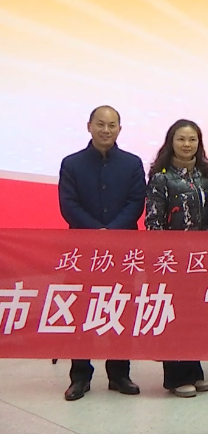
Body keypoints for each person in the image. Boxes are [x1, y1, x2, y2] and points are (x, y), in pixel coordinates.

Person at [58, 105, 146, 401]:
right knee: (81, 310)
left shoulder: (132, 163)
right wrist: (97, 232)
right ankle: (80, 376)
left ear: (119, 129)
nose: (106, 130)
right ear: (89, 126)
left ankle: (119, 373)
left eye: (112, 125)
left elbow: (136, 202)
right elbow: (68, 205)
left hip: (122, 251)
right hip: (82, 251)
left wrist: (113, 233)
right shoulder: (72, 163)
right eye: (100, 124)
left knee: (120, 308)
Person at [145, 119, 208, 398]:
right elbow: (153, 222)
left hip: (200, 260)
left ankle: (194, 370)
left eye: (192, 140)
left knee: (194, 316)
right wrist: (163, 259)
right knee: (173, 315)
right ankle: (174, 377)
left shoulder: (204, 176)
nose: (187, 144)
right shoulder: (161, 177)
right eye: (181, 139)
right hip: (171, 261)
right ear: (171, 142)